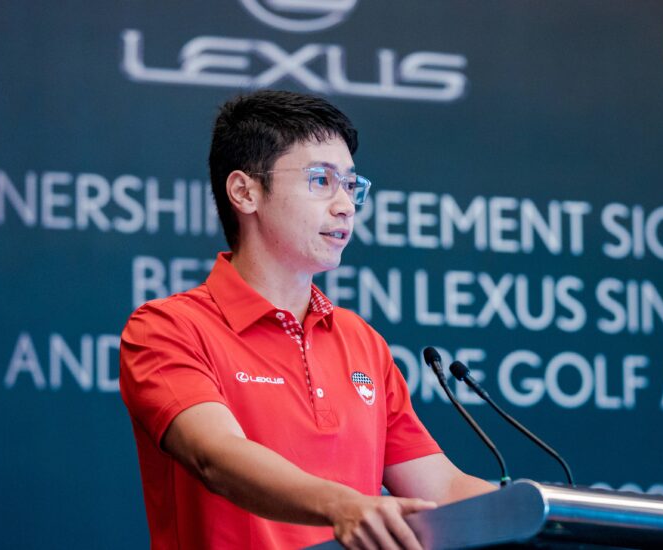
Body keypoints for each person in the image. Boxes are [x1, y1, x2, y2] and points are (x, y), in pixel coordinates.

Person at [119, 89, 494, 549]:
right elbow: (217, 456)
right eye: (321, 180)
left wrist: (550, 513)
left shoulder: (361, 341)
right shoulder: (167, 328)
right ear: (245, 192)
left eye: (351, 185)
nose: (345, 205)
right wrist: (342, 504)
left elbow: (441, 488)